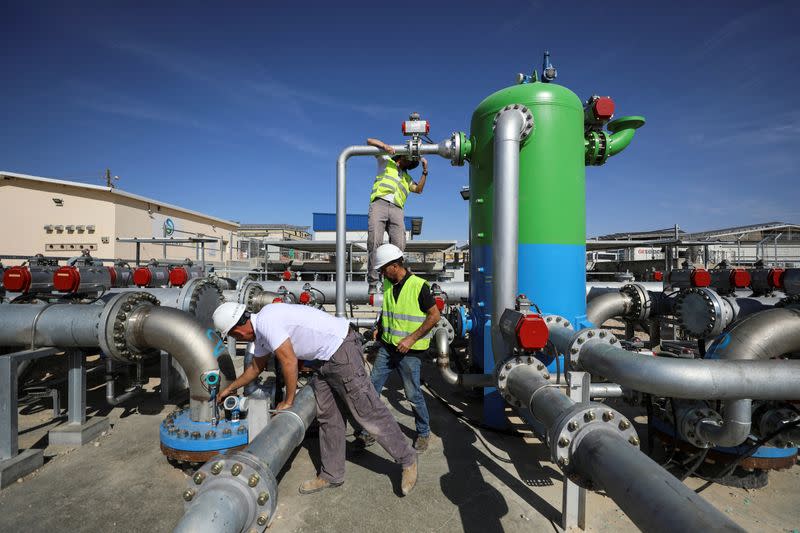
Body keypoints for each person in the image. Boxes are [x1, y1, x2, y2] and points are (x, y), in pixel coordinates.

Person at [212, 301, 418, 496]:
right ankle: (331, 474)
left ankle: (408, 459)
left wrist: (289, 400)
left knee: (367, 410)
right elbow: (255, 368)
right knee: (328, 416)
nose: (238, 338)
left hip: (340, 349)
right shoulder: (261, 334)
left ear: (237, 329)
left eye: (234, 335)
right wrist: (229, 388)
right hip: (323, 360)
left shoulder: (266, 321)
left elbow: (289, 361)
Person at [356, 244, 440, 453]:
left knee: (413, 394)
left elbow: (434, 316)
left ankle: (423, 432)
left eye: (383, 269)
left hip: (410, 352)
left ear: (394, 265)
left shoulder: (419, 286)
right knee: (372, 389)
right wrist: (379, 328)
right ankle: (368, 431)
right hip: (387, 347)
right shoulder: (388, 283)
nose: (382, 273)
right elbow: (389, 310)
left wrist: (411, 339)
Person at [365, 137, 429, 293]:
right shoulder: (386, 161)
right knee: (374, 241)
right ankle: (373, 282)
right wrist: (385, 145)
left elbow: (419, 189)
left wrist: (425, 172)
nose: (411, 162)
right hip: (379, 203)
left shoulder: (407, 178)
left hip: (397, 209)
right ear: (402, 156)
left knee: (399, 245)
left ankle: (394, 278)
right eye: (410, 159)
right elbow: (369, 141)